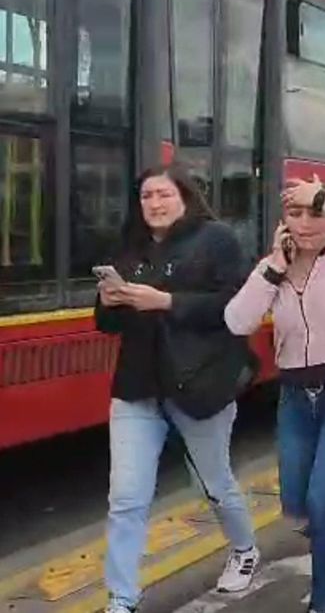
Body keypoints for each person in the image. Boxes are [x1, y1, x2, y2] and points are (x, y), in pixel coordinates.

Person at [97, 167, 258, 613]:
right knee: (126, 497)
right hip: (137, 388)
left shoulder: (217, 240)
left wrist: (166, 302)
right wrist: (109, 303)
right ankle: (122, 597)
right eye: (146, 195)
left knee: (214, 482)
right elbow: (107, 324)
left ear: (184, 196)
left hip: (198, 383)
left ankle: (244, 548)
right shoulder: (131, 247)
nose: (154, 203)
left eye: (163, 194)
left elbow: (236, 306)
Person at [225, 177, 325, 613]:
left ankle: (322, 602)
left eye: (315, 214)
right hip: (296, 400)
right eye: (294, 214)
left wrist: (322, 198)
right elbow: (237, 321)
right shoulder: (273, 269)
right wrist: (273, 267)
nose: (305, 223)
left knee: (324, 502)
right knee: (298, 505)